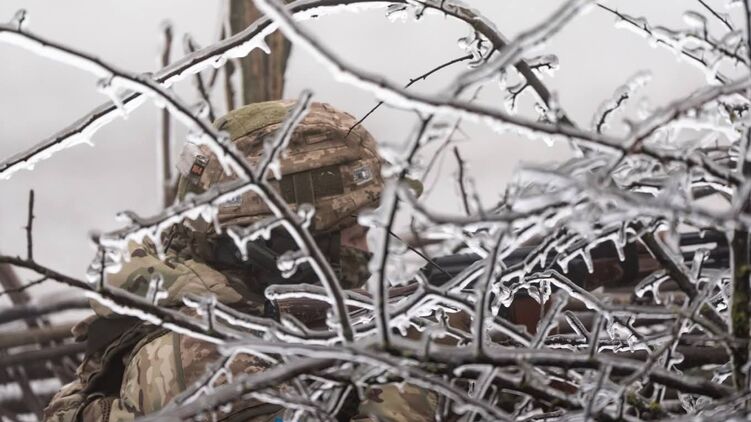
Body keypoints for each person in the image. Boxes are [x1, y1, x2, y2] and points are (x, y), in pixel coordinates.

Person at [42, 100, 437, 421]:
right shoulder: (201, 358)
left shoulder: (244, 314)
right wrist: (414, 385)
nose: (366, 253)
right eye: (353, 237)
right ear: (278, 243)